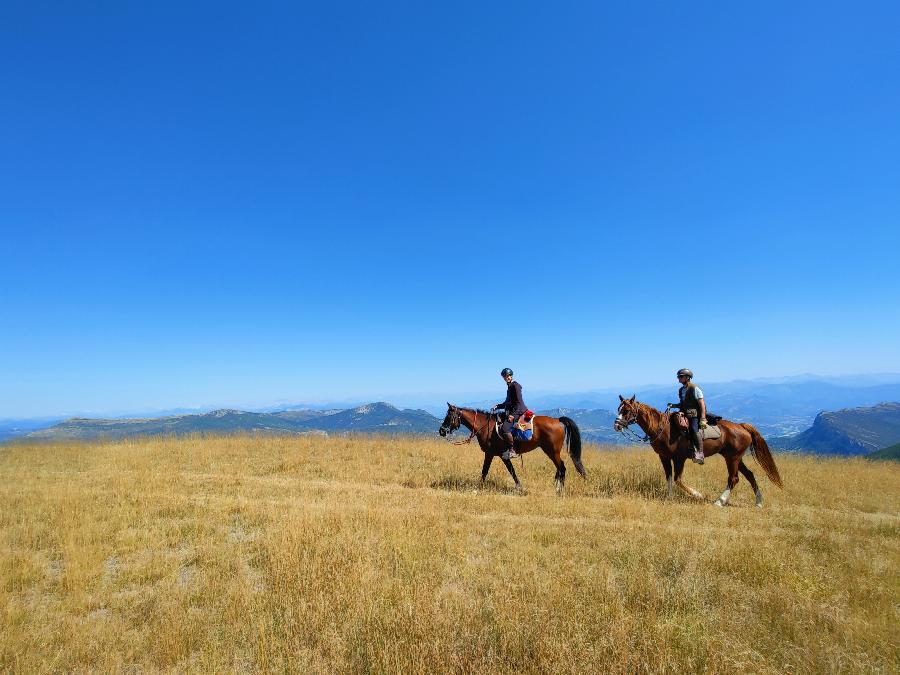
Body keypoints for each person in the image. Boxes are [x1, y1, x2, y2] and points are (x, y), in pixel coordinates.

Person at [671, 368, 707, 464]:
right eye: (678, 376)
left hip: (694, 415)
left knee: (694, 429)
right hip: (684, 414)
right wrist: (673, 405)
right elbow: (683, 404)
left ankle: (700, 453)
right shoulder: (681, 390)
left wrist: (703, 418)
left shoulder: (694, 388)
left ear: (687, 377)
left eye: (681, 377)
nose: (679, 378)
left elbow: (702, 404)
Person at [492, 367, 527, 461]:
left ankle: (512, 450)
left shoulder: (515, 386)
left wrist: (512, 415)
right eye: (504, 376)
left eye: (508, 375)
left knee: (505, 428)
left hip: (518, 411)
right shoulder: (510, 386)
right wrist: (498, 406)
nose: (506, 377)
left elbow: (519, 403)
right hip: (513, 411)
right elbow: (508, 403)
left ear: (511, 376)